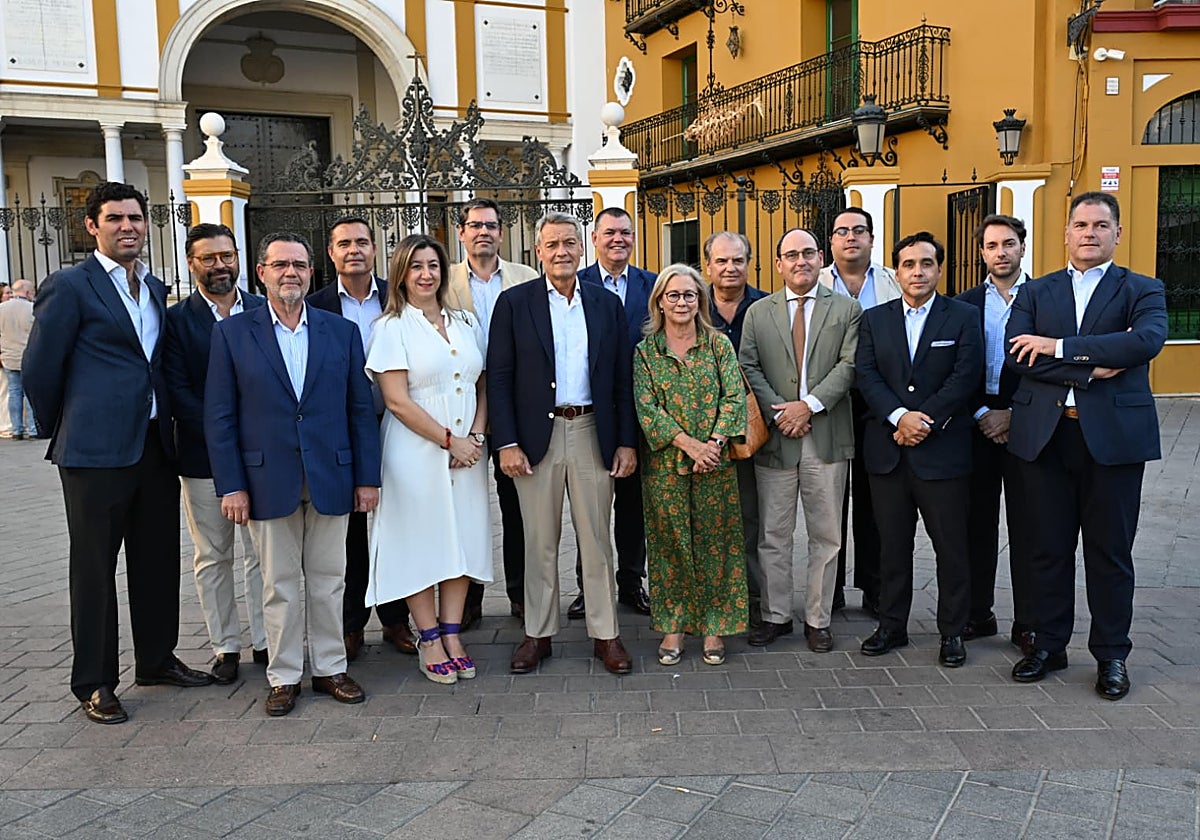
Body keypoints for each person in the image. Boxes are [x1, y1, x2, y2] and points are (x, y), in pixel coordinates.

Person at [23, 181, 214, 726]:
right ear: (92, 226)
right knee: (94, 568)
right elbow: (39, 368)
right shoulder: (70, 285)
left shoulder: (152, 287)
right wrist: (68, 426)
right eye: (115, 218)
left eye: (135, 217)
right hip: (93, 454)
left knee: (156, 560)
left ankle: (156, 660)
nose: (127, 226)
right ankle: (94, 681)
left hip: (154, 445)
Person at [205, 231, 381, 716]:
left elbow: (359, 410)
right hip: (266, 480)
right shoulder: (232, 334)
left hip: (332, 475)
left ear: (310, 273)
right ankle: (283, 676)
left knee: (330, 580)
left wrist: (367, 478)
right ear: (261, 272)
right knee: (278, 584)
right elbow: (219, 416)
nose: (291, 273)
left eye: (299, 265)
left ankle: (330, 668)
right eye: (281, 265)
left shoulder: (340, 332)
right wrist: (232, 486)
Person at [1005, 191, 1167, 700]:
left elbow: (1144, 343)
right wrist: (1093, 367)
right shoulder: (1036, 292)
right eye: (1081, 224)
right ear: (1066, 233)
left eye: (1100, 225)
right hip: (1046, 438)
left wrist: (1058, 347)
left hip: (1114, 441)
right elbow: (1017, 355)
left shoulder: (1142, 289)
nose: (1090, 233)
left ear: (1117, 233)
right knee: (1046, 549)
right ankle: (1048, 646)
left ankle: (1112, 656)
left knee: (1109, 553)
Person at [488, 211, 638, 675]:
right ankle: (538, 634)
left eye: (569, 243)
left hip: (593, 431)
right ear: (538, 251)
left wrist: (626, 441)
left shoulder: (605, 304)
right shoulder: (515, 303)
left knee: (596, 539)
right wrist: (506, 441)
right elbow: (499, 378)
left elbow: (622, 377)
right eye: (552, 244)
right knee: (539, 540)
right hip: (537, 438)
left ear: (582, 247)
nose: (561, 252)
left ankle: (606, 633)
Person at [365, 233, 493, 685]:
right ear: (401, 274)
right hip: (414, 453)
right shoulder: (391, 327)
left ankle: (453, 634)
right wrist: (449, 440)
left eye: (433, 265)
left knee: (461, 539)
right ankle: (430, 638)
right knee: (420, 542)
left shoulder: (465, 321)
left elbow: (482, 383)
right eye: (416, 266)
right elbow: (396, 401)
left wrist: (475, 436)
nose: (425, 274)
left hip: (467, 453)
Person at [855, 231, 983, 667]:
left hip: (943, 451)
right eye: (908, 264)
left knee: (951, 546)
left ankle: (953, 632)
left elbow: (966, 376)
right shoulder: (874, 319)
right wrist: (898, 417)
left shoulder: (962, 316)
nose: (917, 272)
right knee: (892, 546)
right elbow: (867, 375)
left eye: (926, 263)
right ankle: (892, 625)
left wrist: (922, 420)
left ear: (939, 269)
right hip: (888, 452)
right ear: (896, 272)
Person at [740, 229, 861, 651]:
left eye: (808, 253)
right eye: (791, 255)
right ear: (778, 264)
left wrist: (807, 406)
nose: (800, 261)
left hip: (826, 436)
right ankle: (775, 615)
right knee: (773, 534)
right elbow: (748, 366)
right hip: (777, 438)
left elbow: (849, 366)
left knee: (826, 536)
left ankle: (817, 619)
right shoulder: (758, 312)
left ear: (820, 258)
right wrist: (782, 413)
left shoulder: (846, 309)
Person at [165, 224, 267, 684]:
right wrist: (223, 436)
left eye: (227, 256)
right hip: (203, 457)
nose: (220, 265)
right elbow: (177, 391)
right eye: (209, 258)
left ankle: (266, 640)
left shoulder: (263, 309)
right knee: (213, 555)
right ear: (192, 264)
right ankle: (225, 646)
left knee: (262, 555)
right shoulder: (177, 321)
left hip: (263, 457)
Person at [307, 217, 414, 661]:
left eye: (362, 242)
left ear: (375, 249)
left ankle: (396, 619)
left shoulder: (400, 296)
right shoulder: (314, 305)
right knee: (348, 532)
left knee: (397, 526)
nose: (354, 250)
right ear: (331, 253)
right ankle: (351, 624)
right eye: (344, 243)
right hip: (341, 431)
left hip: (399, 425)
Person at [634, 263, 747, 666]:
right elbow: (647, 408)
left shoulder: (718, 345)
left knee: (718, 544)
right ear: (660, 303)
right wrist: (690, 446)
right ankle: (674, 626)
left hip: (715, 464)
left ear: (700, 301)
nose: (682, 302)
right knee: (670, 545)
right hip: (665, 466)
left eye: (690, 295)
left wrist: (712, 446)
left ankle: (715, 627)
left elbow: (734, 397)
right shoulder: (646, 352)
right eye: (674, 295)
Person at [445, 197, 539, 624]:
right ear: (461, 233)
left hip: (514, 405)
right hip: (459, 409)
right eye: (475, 225)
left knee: (517, 506)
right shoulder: (443, 280)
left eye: (490, 225)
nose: (483, 232)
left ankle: (521, 594)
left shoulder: (526, 278)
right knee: (463, 508)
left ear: (501, 233)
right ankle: (467, 601)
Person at [955, 214, 1036, 656]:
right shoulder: (964, 304)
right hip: (976, 423)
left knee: (1029, 527)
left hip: (1028, 425)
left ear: (1022, 246)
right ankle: (977, 613)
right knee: (975, 524)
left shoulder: (1046, 298)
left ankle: (1028, 623)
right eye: (991, 245)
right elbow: (957, 369)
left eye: (1008, 243)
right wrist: (984, 412)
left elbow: (1049, 366)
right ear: (981, 252)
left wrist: (1012, 414)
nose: (1000, 252)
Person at [572, 206, 655, 619]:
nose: (618, 239)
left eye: (625, 232)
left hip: (641, 411)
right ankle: (588, 588)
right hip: (592, 413)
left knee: (633, 506)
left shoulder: (652, 285)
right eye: (609, 233)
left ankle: (631, 582)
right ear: (594, 239)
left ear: (633, 237)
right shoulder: (576, 283)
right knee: (589, 507)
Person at [818, 208, 902, 616]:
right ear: (831, 241)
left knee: (875, 499)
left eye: (859, 230)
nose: (850, 237)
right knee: (828, 499)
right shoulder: (813, 280)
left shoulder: (893, 282)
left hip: (878, 403)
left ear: (871, 238)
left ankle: (874, 587)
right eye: (842, 231)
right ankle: (829, 590)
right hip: (828, 403)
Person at [704, 232, 768, 625]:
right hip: (702, 436)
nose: (730, 268)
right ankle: (713, 600)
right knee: (710, 522)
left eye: (738, 260)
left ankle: (755, 600)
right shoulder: (692, 305)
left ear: (748, 263)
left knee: (751, 519)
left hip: (754, 433)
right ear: (708, 266)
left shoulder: (767, 307)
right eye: (722, 261)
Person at [0, 279, 38, 440]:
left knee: (14, 392)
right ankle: (33, 429)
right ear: (27, 292)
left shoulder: (1, 308)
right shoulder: (32, 308)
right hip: (28, 356)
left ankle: (16, 429)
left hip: (8, 356)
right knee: (30, 394)